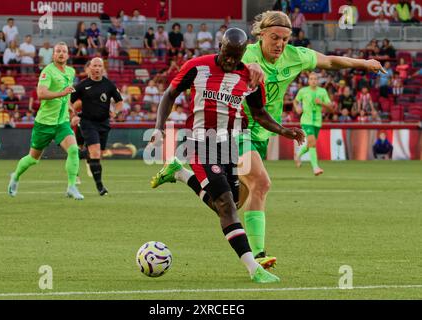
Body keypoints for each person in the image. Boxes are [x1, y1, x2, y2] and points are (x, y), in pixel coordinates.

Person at [151, 10, 386, 270]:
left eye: (285, 39)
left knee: (232, 204)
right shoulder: (246, 54)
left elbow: (329, 61)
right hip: (237, 130)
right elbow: (231, 65)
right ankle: (259, 254)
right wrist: (249, 67)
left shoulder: (295, 56)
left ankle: (180, 173)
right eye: (275, 37)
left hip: (263, 132)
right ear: (261, 34)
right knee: (261, 182)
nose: (280, 44)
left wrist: (365, 64)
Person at [150, 28, 305, 283]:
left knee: (229, 203)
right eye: (227, 54)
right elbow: (169, 94)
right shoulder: (197, 67)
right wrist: (158, 128)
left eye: (236, 56)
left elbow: (259, 114)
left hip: (229, 146)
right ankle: (254, 268)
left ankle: (178, 172)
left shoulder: (249, 77)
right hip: (200, 144)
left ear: (243, 53)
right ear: (219, 46)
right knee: (226, 206)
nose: (230, 60)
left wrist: (284, 131)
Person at [7, 42, 83, 200]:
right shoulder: (47, 71)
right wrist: (62, 94)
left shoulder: (71, 71)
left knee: (74, 150)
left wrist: (69, 106)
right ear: (53, 55)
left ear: (68, 55)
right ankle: (15, 176)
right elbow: (41, 93)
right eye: (58, 51)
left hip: (62, 123)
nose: (61, 53)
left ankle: (71, 187)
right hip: (44, 123)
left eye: (64, 51)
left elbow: (67, 94)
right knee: (33, 159)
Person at [70, 57, 123, 195]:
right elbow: (68, 101)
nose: (97, 68)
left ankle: (79, 153)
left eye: (100, 66)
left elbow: (119, 101)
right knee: (95, 151)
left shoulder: (109, 85)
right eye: (95, 66)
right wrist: (73, 115)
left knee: (97, 154)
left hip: (104, 123)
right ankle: (100, 187)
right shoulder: (82, 85)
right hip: (88, 123)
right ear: (90, 68)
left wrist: (115, 112)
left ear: (103, 68)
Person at [293, 72, 333, 174]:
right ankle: (315, 168)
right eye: (311, 79)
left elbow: (330, 107)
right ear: (308, 80)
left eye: (315, 79)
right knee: (312, 143)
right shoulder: (303, 91)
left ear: (318, 80)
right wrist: (297, 107)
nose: (313, 80)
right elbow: (295, 101)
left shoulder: (322, 91)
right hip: (306, 121)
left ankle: (298, 155)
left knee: (311, 144)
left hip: (317, 122)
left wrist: (321, 103)